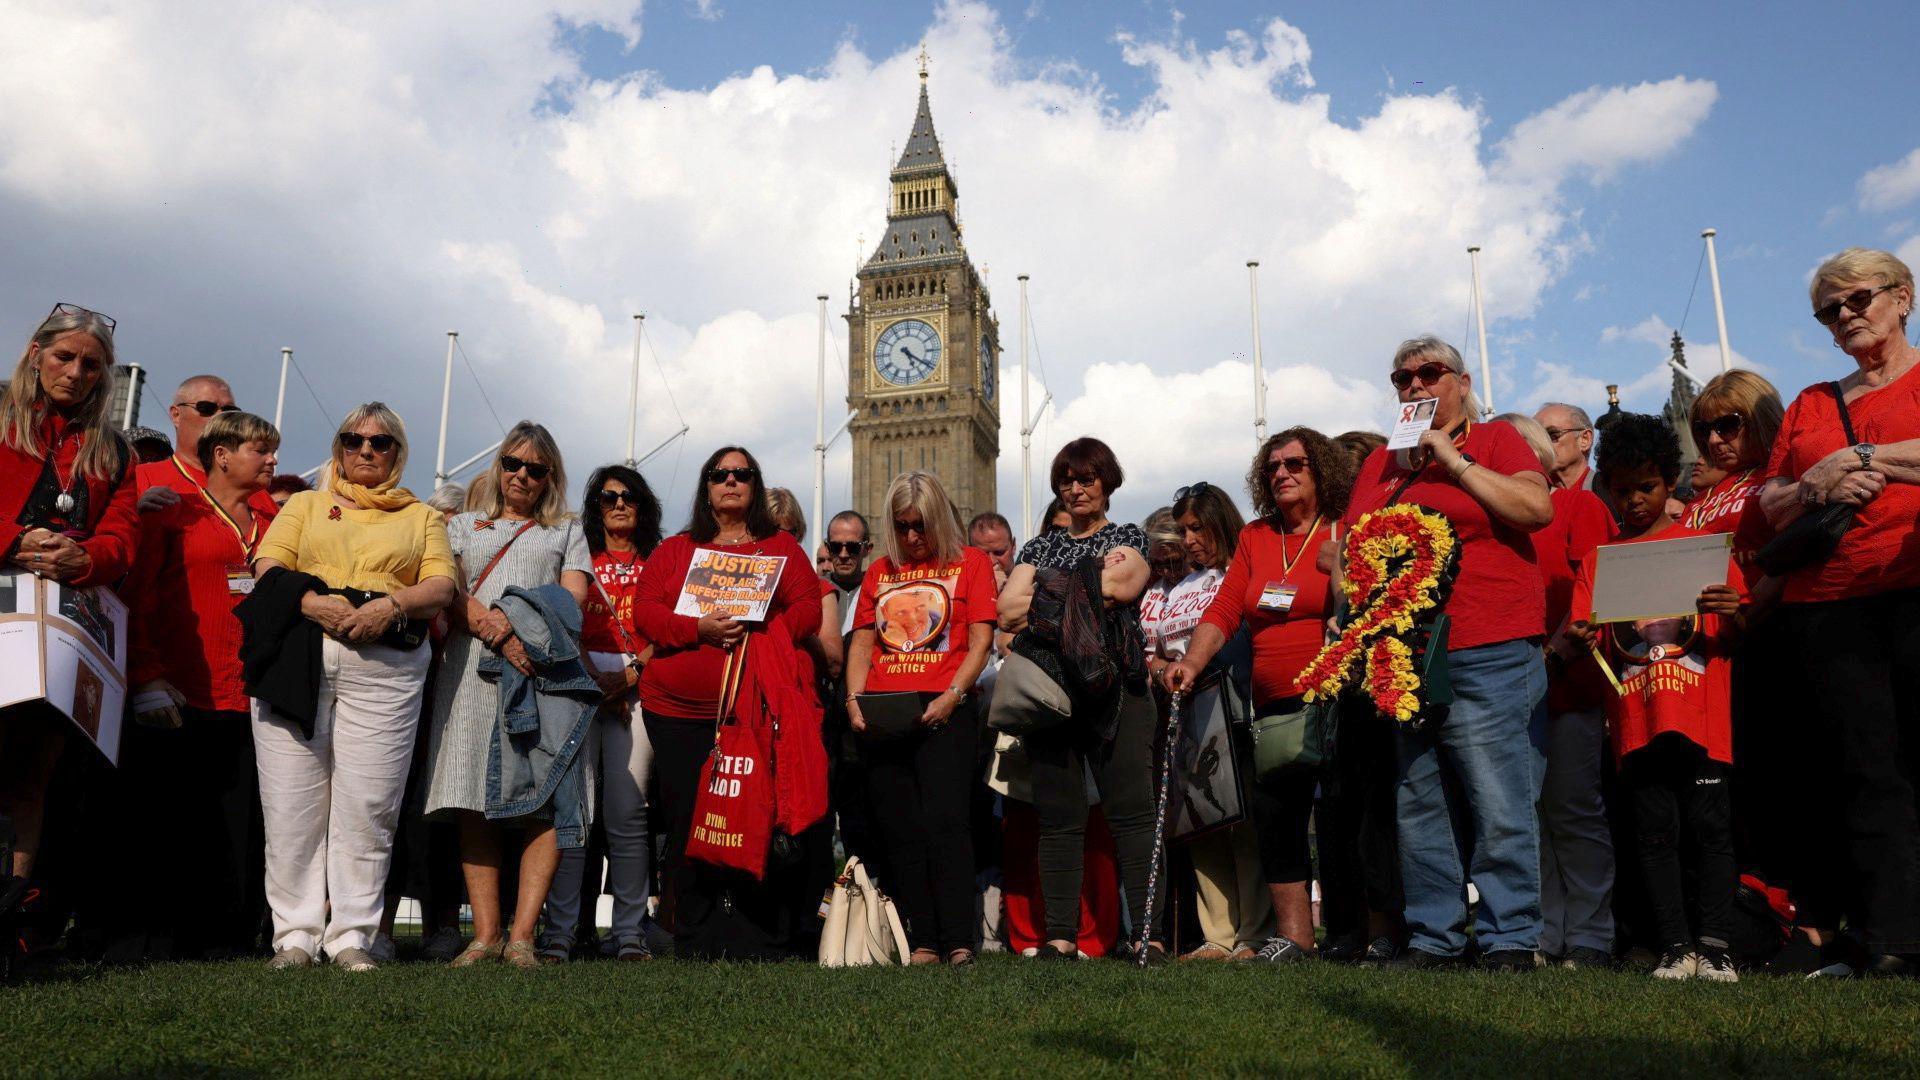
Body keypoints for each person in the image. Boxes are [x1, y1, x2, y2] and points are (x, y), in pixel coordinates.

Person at [1343, 336, 1552, 970]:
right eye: (1401, 377)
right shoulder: (1382, 463)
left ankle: (1509, 936)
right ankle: (1434, 937)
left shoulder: (1494, 440)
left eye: (1428, 374)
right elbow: (1354, 548)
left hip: (1488, 641)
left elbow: (1535, 507)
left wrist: (1453, 462)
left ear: (1461, 382)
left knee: (1498, 797)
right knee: (1420, 798)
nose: (1412, 386)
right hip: (1406, 654)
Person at [249, 402, 456, 971]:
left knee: (369, 806)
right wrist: (315, 605)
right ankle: (294, 934)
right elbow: (269, 566)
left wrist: (390, 607)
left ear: (398, 453)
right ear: (338, 446)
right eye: (353, 439)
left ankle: (352, 939)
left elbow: (440, 585)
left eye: (380, 442)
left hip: (386, 665)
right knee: (292, 805)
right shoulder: (305, 504)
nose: (366, 450)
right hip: (299, 657)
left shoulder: (422, 517)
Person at [1759, 247, 1920, 975]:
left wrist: (1865, 459)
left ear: (1903, 297)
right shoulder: (1810, 403)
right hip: (1825, 605)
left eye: (1857, 300)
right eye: (1830, 310)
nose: (1844, 317)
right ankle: (1887, 937)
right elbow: (1770, 501)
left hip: (1911, 586)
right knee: (1860, 771)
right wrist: (1820, 479)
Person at [1171, 430, 1368, 964]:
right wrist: (1191, 661)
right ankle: (1295, 938)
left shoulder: (1345, 528)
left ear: (1321, 469)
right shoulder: (1257, 537)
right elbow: (1225, 608)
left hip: (1339, 697)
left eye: (1295, 463)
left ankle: (1357, 933)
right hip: (1274, 705)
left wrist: (1343, 571)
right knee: (1278, 819)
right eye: (1272, 466)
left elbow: (1372, 605)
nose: (1282, 473)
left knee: (1344, 819)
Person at [1570, 413, 1744, 981]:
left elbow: (1738, 634)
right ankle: (1674, 944)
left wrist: (1733, 615)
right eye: (1622, 490)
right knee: (1653, 832)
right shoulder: (1601, 559)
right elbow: (1588, 636)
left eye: (1646, 486)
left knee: (1711, 828)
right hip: (1637, 720)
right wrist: (1575, 638)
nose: (1635, 500)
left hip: (1701, 716)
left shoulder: (1703, 547)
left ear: (1670, 481)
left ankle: (1715, 944)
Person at [631, 446, 822, 959]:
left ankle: (758, 937)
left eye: (743, 474)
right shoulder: (675, 551)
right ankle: (695, 935)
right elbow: (645, 613)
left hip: (755, 713)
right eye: (720, 474)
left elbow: (809, 606)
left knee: (755, 814)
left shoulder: (780, 546)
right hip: (677, 714)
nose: (731, 481)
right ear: (707, 486)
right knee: (688, 820)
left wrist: (770, 631)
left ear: (756, 485)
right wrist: (699, 628)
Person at [423, 422, 592, 970]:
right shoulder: (463, 526)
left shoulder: (565, 530)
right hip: (470, 671)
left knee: (540, 801)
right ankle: (485, 933)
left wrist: (517, 629)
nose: (522, 475)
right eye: (513, 464)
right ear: (498, 467)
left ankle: (523, 936)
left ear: (550, 478)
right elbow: (447, 589)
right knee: (472, 797)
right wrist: (493, 629)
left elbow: (573, 603)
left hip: (539, 672)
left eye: (536, 469)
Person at [120, 411, 281, 959]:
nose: (271, 460)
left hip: (250, 693)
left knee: (238, 822)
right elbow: (137, 598)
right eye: (261, 451)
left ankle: (227, 936)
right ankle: (154, 935)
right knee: (170, 820)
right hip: (181, 687)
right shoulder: (175, 512)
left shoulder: (275, 519)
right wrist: (146, 676)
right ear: (222, 454)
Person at [997, 437, 1157, 962]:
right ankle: (1060, 938)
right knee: (1059, 816)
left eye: (1087, 477)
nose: (1076, 487)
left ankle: (1147, 936)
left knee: (1131, 813)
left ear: (1106, 482)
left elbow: (1124, 587)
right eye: (1066, 479)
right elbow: (1006, 610)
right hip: (1051, 692)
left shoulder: (1129, 535)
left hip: (1119, 688)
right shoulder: (1039, 545)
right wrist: (1086, 583)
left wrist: (1045, 593)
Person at [0, 304, 139, 888]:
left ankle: (11, 917)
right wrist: (11, 540)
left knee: (34, 771)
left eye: (92, 364)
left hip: (65, 626)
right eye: (65, 357)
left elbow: (124, 536)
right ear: (37, 353)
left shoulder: (112, 448)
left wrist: (88, 558)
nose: (77, 372)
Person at [844, 471, 997, 965]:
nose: (912, 538)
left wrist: (953, 695)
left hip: (946, 706)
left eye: (921, 526)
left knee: (947, 823)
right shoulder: (879, 572)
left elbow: (981, 642)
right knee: (901, 827)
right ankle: (923, 940)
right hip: (887, 710)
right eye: (902, 526)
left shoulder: (969, 563)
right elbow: (863, 643)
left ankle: (958, 940)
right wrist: (853, 701)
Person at [1144, 482, 1274, 962]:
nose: (1189, 538)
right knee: (1199, 821)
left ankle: (1254, 932)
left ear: (1220, 523)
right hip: (1182, 712)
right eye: (1183, 530)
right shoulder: (1177, 587)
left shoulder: (1237, 573)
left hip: (1232, 704)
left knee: (1238, 819)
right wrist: (1159, 668)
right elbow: (1153, 647)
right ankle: (1217, 934)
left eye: (1197, 528)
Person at [541, 464, 664, 962]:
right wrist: (593, 679)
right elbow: (560, 617)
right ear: (595, 506)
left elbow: (668, 628)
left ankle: (630, 931)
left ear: (643, 506)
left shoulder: (660, 560)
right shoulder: (578, 556)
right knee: (574, 812)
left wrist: (630, 677)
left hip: (637, 690)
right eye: (608, 497)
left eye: (629, 496)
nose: (618, 504)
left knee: (627, 814)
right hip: (580, 683)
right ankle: (560, 930)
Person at [1514, 410, 1618, 969]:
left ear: (1582, 440)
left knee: (1575, 810)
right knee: (1533, 816)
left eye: (1549, 435)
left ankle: (1592, 935)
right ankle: (1548, 932)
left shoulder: (1583, 504)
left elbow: (1592, 590)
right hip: (1522, 685)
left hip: (1570, 684)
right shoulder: (1525, 508)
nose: (1540, 444)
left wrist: (1553, 655)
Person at [135, 376, 277, 523]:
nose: (219, 416)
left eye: (229, 412)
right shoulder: (143, 477)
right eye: (206, 408)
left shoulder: (260, 497)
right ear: (176, 415)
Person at [1536, 403, 1597, 492]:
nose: (1541, 444)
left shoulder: (1612, 494)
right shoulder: (1530, 501)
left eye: (1552, 434)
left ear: (1585, 439)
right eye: (1533, 439)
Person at [968, 511, 1017, 584]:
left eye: (999, 553)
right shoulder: (961, 590)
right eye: (982, 554)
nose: (992, 561)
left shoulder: (1036, 589)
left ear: (1013, 546)